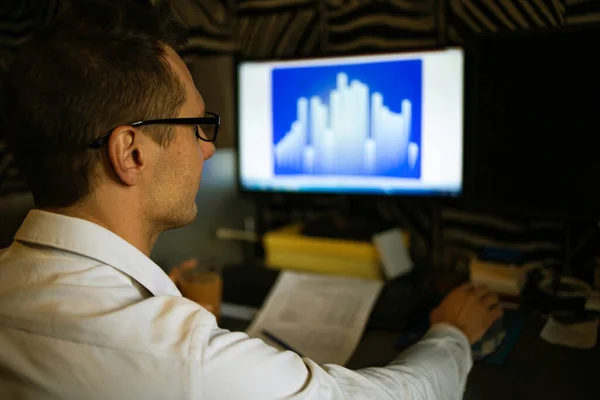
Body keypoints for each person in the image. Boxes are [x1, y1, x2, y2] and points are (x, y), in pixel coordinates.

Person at [0, 1, 503, 399]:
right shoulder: (184, 358)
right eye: (197, 125)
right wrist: (451, 333)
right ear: (130, 153)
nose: (208, 147)